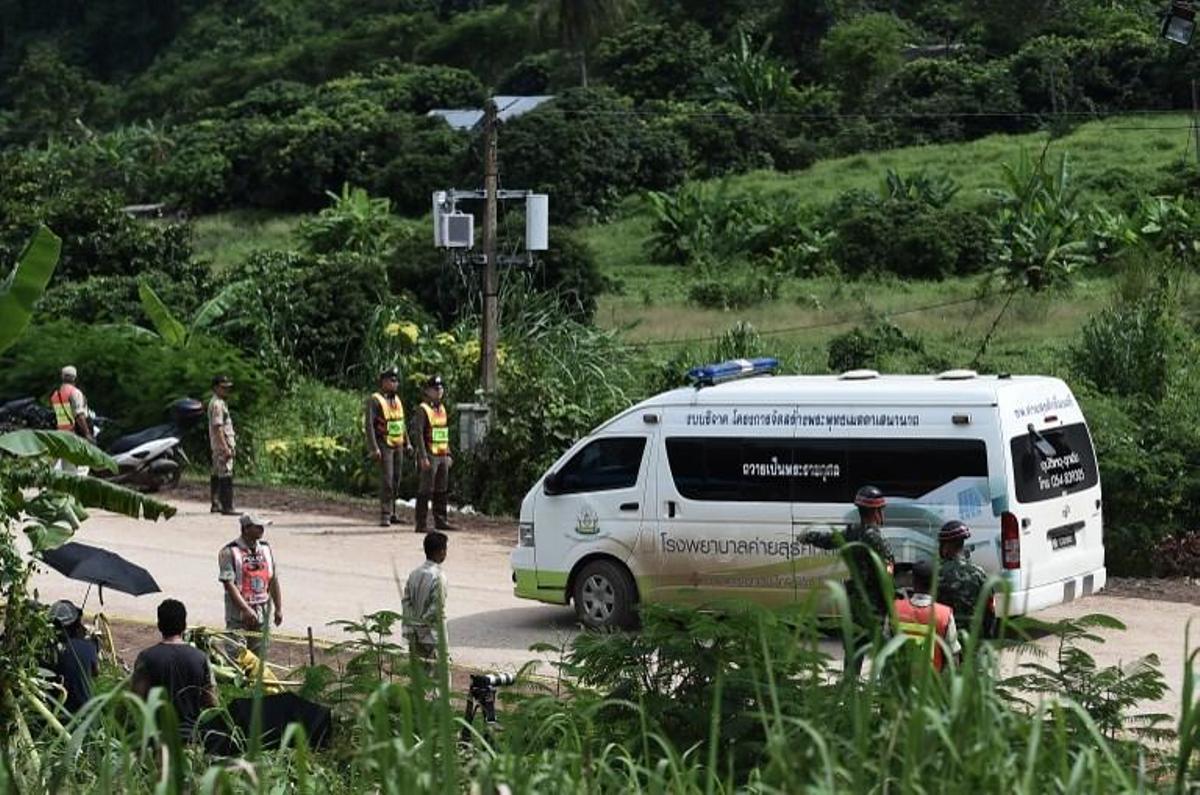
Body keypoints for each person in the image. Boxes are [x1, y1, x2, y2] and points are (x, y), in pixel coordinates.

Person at [801, 485, 895, 677]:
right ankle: (888, 696)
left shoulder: (852, 532)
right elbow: (888, 571)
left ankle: (849, 693)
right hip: (873, 607)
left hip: (854, 604)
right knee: (886, 654)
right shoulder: (876, 538)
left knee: (853, 653)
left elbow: (828, 540)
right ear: (876, 511)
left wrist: (808, 536)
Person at [132, 599, 218, 740]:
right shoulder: (201, 658)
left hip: (156, 739)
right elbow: (212, 701)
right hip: (191, 738)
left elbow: (136, 700)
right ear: (184, 625)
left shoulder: (146, 657)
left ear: (159, 625)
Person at [218, 513, 283, 656]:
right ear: (246, 529)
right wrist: (245, 609)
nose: (262, 530)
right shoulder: (229, 552)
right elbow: (229, 585)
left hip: (262, 613)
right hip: (238, 615)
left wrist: (278, 608)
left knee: (260, 657)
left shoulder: (266, 549)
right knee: (238, 657)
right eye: (257, 527)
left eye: (262, 526)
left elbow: (273, 579)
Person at [892, 560, 960, 672]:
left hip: (900, 683)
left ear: (913, 582)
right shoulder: (944, 615)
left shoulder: (895, 608)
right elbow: (953, 657)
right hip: (932, 685)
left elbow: (885, 646)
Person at [365, 367, 412, 527]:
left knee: (396, 479)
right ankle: (384, 514)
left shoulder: (397, 400)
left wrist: (408, 443)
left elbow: (401, 422)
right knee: (387, 479)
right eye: (392, 380)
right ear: (383, 382)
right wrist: (374, 448)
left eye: (396, 380)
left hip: (398, 444)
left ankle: (393, 512)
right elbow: (369, 426)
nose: (395, 384)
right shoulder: (375, 400)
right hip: (384, 444)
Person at [411, 375, 454, 533]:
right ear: (428, 391)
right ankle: (421, 523)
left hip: (442, 453)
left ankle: (441, 520)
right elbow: (419, 434)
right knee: (426, 488)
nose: (439, 391)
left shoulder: (441, 409)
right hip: (430, 454)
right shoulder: (423, 409)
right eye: (436, 389)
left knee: (441, 488)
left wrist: (448, 453)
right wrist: (422, 456)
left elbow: (444, 432)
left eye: (441, 388)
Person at [937, 519, 994, 637]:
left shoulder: (935, 573)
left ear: (946, 546)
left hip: (946, 639)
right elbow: (989, 612)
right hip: (973, 639)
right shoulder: (979, 573)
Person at [402, 531, 449, 671]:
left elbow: (406, 602)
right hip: (433, 636)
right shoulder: (438, 576)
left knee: (419, 675)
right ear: (441, 552)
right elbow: (436, 608)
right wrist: (423, 625)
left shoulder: (414, 574)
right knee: (438, 675)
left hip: (415, 635)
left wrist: (414, 624)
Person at [49, 600, 98, 714]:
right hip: (83, 711)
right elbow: (95, 673)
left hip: (53, 711)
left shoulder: (46, 648)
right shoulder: (88, 646)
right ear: (77, 625)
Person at [50, 365, 94, 474]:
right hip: (73, 435)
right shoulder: (75, 393)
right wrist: (87, 434)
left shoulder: (55, 395)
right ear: (75, 378)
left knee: (65, 467)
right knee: (77, 469)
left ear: (62, 377)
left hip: (60, 434)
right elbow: (79, 416)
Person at [208, 374, 237, 515]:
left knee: (216, 472)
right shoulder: (218, 405)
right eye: (223, 387)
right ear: (215, 388)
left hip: (217, 444)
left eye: (227, 387)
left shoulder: (217, 402)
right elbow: (218, 427)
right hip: (221, 444)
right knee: (226, 473)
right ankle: (227, 506)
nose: (226, 390)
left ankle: (216, 503)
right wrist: (225, 447)